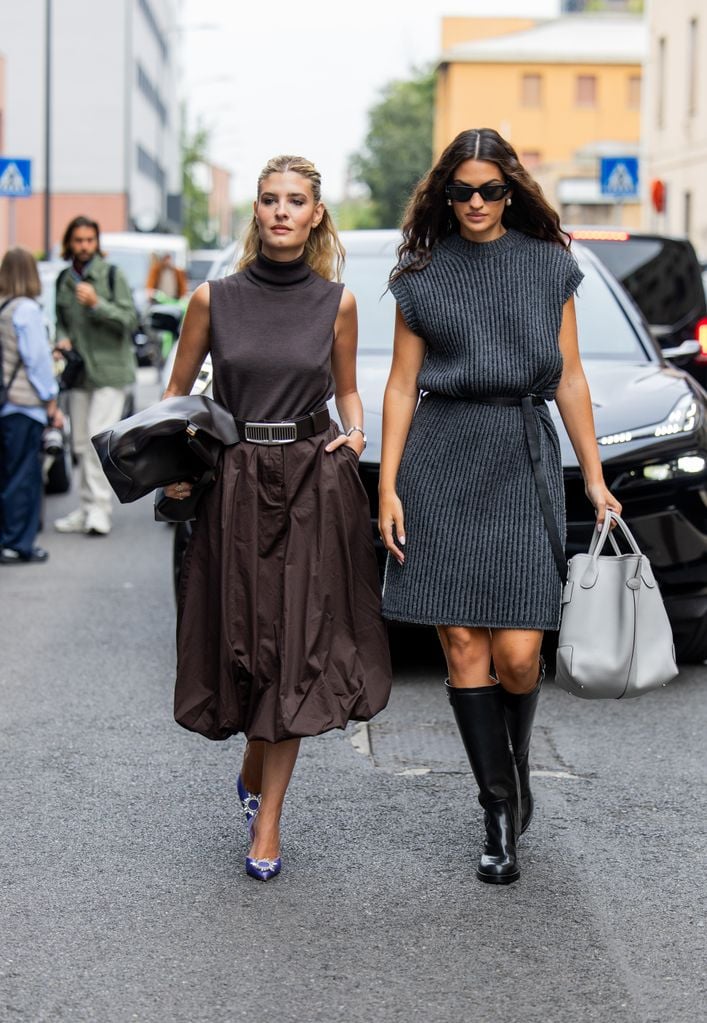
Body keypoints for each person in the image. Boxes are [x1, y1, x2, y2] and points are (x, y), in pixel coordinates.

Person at [378, 128, 622, 885]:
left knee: (518, 651)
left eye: (488, 190)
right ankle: (496, 814)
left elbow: (571, 379)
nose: (475, 203)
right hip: (442, 458)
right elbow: (398, 384)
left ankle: (512, 769)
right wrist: (386, 483)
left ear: (509, 191)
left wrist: (593, 475)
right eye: (461, 191)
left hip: (520, 454)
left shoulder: (550, 266)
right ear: (443, 195)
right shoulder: (419, 274)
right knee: (462, 645)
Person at [162, 155, 392, 882]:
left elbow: (348, 393)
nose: (282, 211)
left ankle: (267, 823)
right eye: (269, 200)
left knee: (294, 649)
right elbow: (175, 396)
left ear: (316, 214)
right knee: (245, 646)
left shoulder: (338, 302)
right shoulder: (212, 299)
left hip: (309, 481)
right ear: (255, 213)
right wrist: (173, 469)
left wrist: (355, 434)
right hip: (233, 481)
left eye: (296, 201)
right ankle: (253, 758)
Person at [53, 216, 137, 536]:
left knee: (95, 440)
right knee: (77, 443)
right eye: (79, 240)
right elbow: (60, 319)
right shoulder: (64, 279)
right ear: (70, 243)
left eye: (90, 240)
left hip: (110, 372)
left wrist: (97, 304)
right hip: (78, 373)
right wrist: (62, 338)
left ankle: (100, 510)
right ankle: (86, 507)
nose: (84, 246)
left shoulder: (112, 276)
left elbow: (130, 320)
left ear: (97, 243)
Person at [0, 247, 63, 563]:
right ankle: (17, 544)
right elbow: (37, 362)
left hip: (4, 404)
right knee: (24, 478)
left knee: (7, 474)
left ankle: (6, 540)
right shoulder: (26, 310)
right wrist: (51, 401)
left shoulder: (4, 308)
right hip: (24, 405)